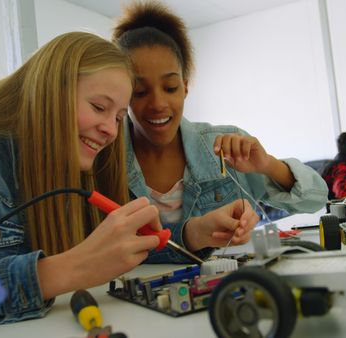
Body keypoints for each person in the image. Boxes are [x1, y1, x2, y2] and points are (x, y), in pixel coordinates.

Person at [0, 31, 257, 324]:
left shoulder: (76, 166)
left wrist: (195, 232)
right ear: (49, 94)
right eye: (99, 107)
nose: (111, 131)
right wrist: (65, 270)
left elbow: (117, 251)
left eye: (118, 117)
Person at [111, 1, 328, 261]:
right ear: (122, 93)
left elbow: (316, 198)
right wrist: (193, 234)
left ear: (185, 87)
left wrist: (268, 165)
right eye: (140, 92)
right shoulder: (104, 160)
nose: (158, 104)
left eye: (170, 88)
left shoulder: (225, 147)